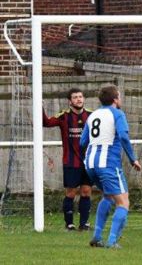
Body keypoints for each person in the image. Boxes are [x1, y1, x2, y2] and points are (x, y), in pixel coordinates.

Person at [81, 85, 142, 249]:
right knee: (123, 203)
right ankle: (112, 241)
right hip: (108, 164)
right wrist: (133, 159)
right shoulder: (117, 114)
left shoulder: (92, 115)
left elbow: (82, 142)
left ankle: (97, 236)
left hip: (90, 164)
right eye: (119, 97)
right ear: (115, 99)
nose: (120, 100)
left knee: (108, 196)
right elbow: (123, 135)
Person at [43, 88, 93, 231]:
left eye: (80, 97)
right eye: (75, 97)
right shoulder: (64, 116)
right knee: (71, 192)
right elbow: (46, 122)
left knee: (86, 191)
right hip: (71, 162)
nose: (79, 99)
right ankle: (69, 224)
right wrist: (40, 107)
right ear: (69, 101)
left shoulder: (91, 115)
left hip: (88, 162)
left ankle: (84, 224)